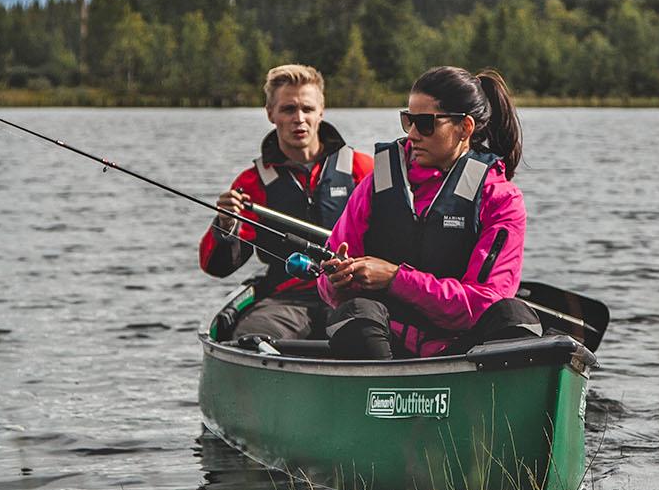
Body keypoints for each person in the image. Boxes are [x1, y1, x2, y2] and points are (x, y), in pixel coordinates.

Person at [318, 66, 544, 359]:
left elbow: (484, 303)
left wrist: (395, 278)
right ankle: (380, 394)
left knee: (513, 315)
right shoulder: (377, 184)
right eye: (408, 120)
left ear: (465, 127)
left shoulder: (500, 198)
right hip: (385, 344)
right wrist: (337, 281)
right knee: (355, 311)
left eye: (425, 123)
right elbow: (327, 282)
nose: (412, 134)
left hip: (463, 351)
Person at [201, 64, 373, 342]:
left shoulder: (362, 169)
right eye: (288, 109)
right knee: (251, 337)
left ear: (321, 111)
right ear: (271, 113)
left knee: (369, 335)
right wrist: (225, 226)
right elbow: (217, 267)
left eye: (307, 109)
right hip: (287, 301)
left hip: (352, 295)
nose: (299, 119)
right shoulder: (251, 182)